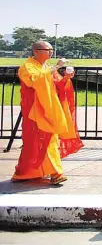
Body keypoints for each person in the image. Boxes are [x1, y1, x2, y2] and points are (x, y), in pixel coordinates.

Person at [11, 41, 71, 184]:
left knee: (48, 139)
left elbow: (56, 84)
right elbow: (36, 81)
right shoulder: (27, 67)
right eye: (47, 50)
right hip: (34, 111)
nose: (51, 52)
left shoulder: (45, 67)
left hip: (47, 109)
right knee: (39, 141)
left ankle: (27, 173)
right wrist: (56, 66)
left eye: (51, 49)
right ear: (36, 51)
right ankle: (56, 173)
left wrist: (67, 79)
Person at [53, 66, 84, 158]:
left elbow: (60, 85)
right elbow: (58, 85)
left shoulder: (54, 73)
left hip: (60, 104)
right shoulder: (50, 72)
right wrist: (66, 78)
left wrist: (66, 78)